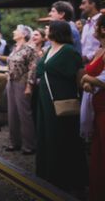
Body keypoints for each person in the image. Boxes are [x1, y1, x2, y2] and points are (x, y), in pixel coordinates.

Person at [35, 20, 87, 193]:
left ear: (56, 31)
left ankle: (65, 176)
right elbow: (42, 70)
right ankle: (48, 172)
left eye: (48, 27)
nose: (45, 29)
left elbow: (77, 77)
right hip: (45, 99)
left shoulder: (69, 51)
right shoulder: (49, 49)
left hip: (61, 98)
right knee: (46, 133)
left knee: (61, 134)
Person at [1, 25, 37, 155]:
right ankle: (14, 142)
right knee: (12, 113)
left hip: (22, 83)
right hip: (11, 82)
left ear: (23, 34)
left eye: (16, 30)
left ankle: (29, 145)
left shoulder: (29, 49)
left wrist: (29, 86)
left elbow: (33, 68)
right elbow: (10, 64)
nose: (13, 32)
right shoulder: (14, 48)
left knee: (24, 114)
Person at [80, 14, 105, 201]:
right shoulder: (100, 50)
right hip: (96, 105)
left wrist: (88, 79)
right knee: (98, 152)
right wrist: (89, 83)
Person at [80, 0, 102, 64]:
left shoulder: (102, 21)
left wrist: (88, 57)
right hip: (87, 65)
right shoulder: (86, 25)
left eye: (83, 3)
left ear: (93, 4)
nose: (80, 7)